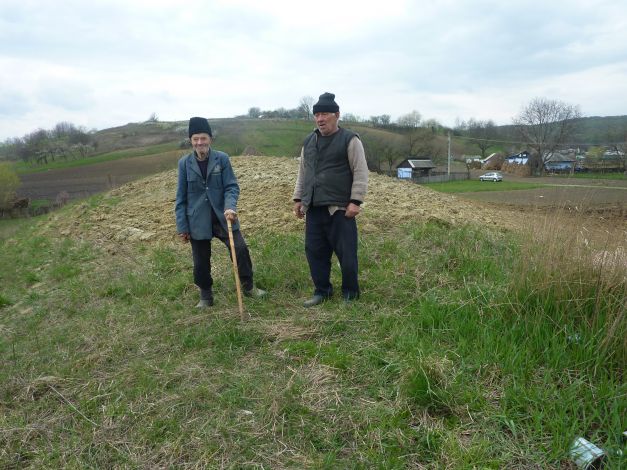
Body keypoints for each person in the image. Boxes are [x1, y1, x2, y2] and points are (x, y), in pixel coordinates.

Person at [175, 117, 266, 307]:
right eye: (196, 139)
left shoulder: (222, 159)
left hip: (223, 217)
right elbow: (181, 197)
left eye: (203, 138)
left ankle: (248, 287)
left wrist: (230, 206)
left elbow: (231, 187)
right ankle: (206, 296)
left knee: (240, 249)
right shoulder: (184, 164)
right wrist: (183, 227)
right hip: (198, 220)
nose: (200, 142)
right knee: (200, 261)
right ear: (191, 141)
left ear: (210, 139)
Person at [292, 92, 369, 307]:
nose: (320, 119)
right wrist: (298, 198)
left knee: (347, 254)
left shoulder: (350, 139)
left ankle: (350, 293)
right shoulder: (309, 142)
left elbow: (360, 171)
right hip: (314, 208)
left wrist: (356, 201)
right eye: (317, 114)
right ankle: (322, 291)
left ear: (337, 115)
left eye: (325, 113)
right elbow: (303, 172)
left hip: (340, 209)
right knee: (315, 252)